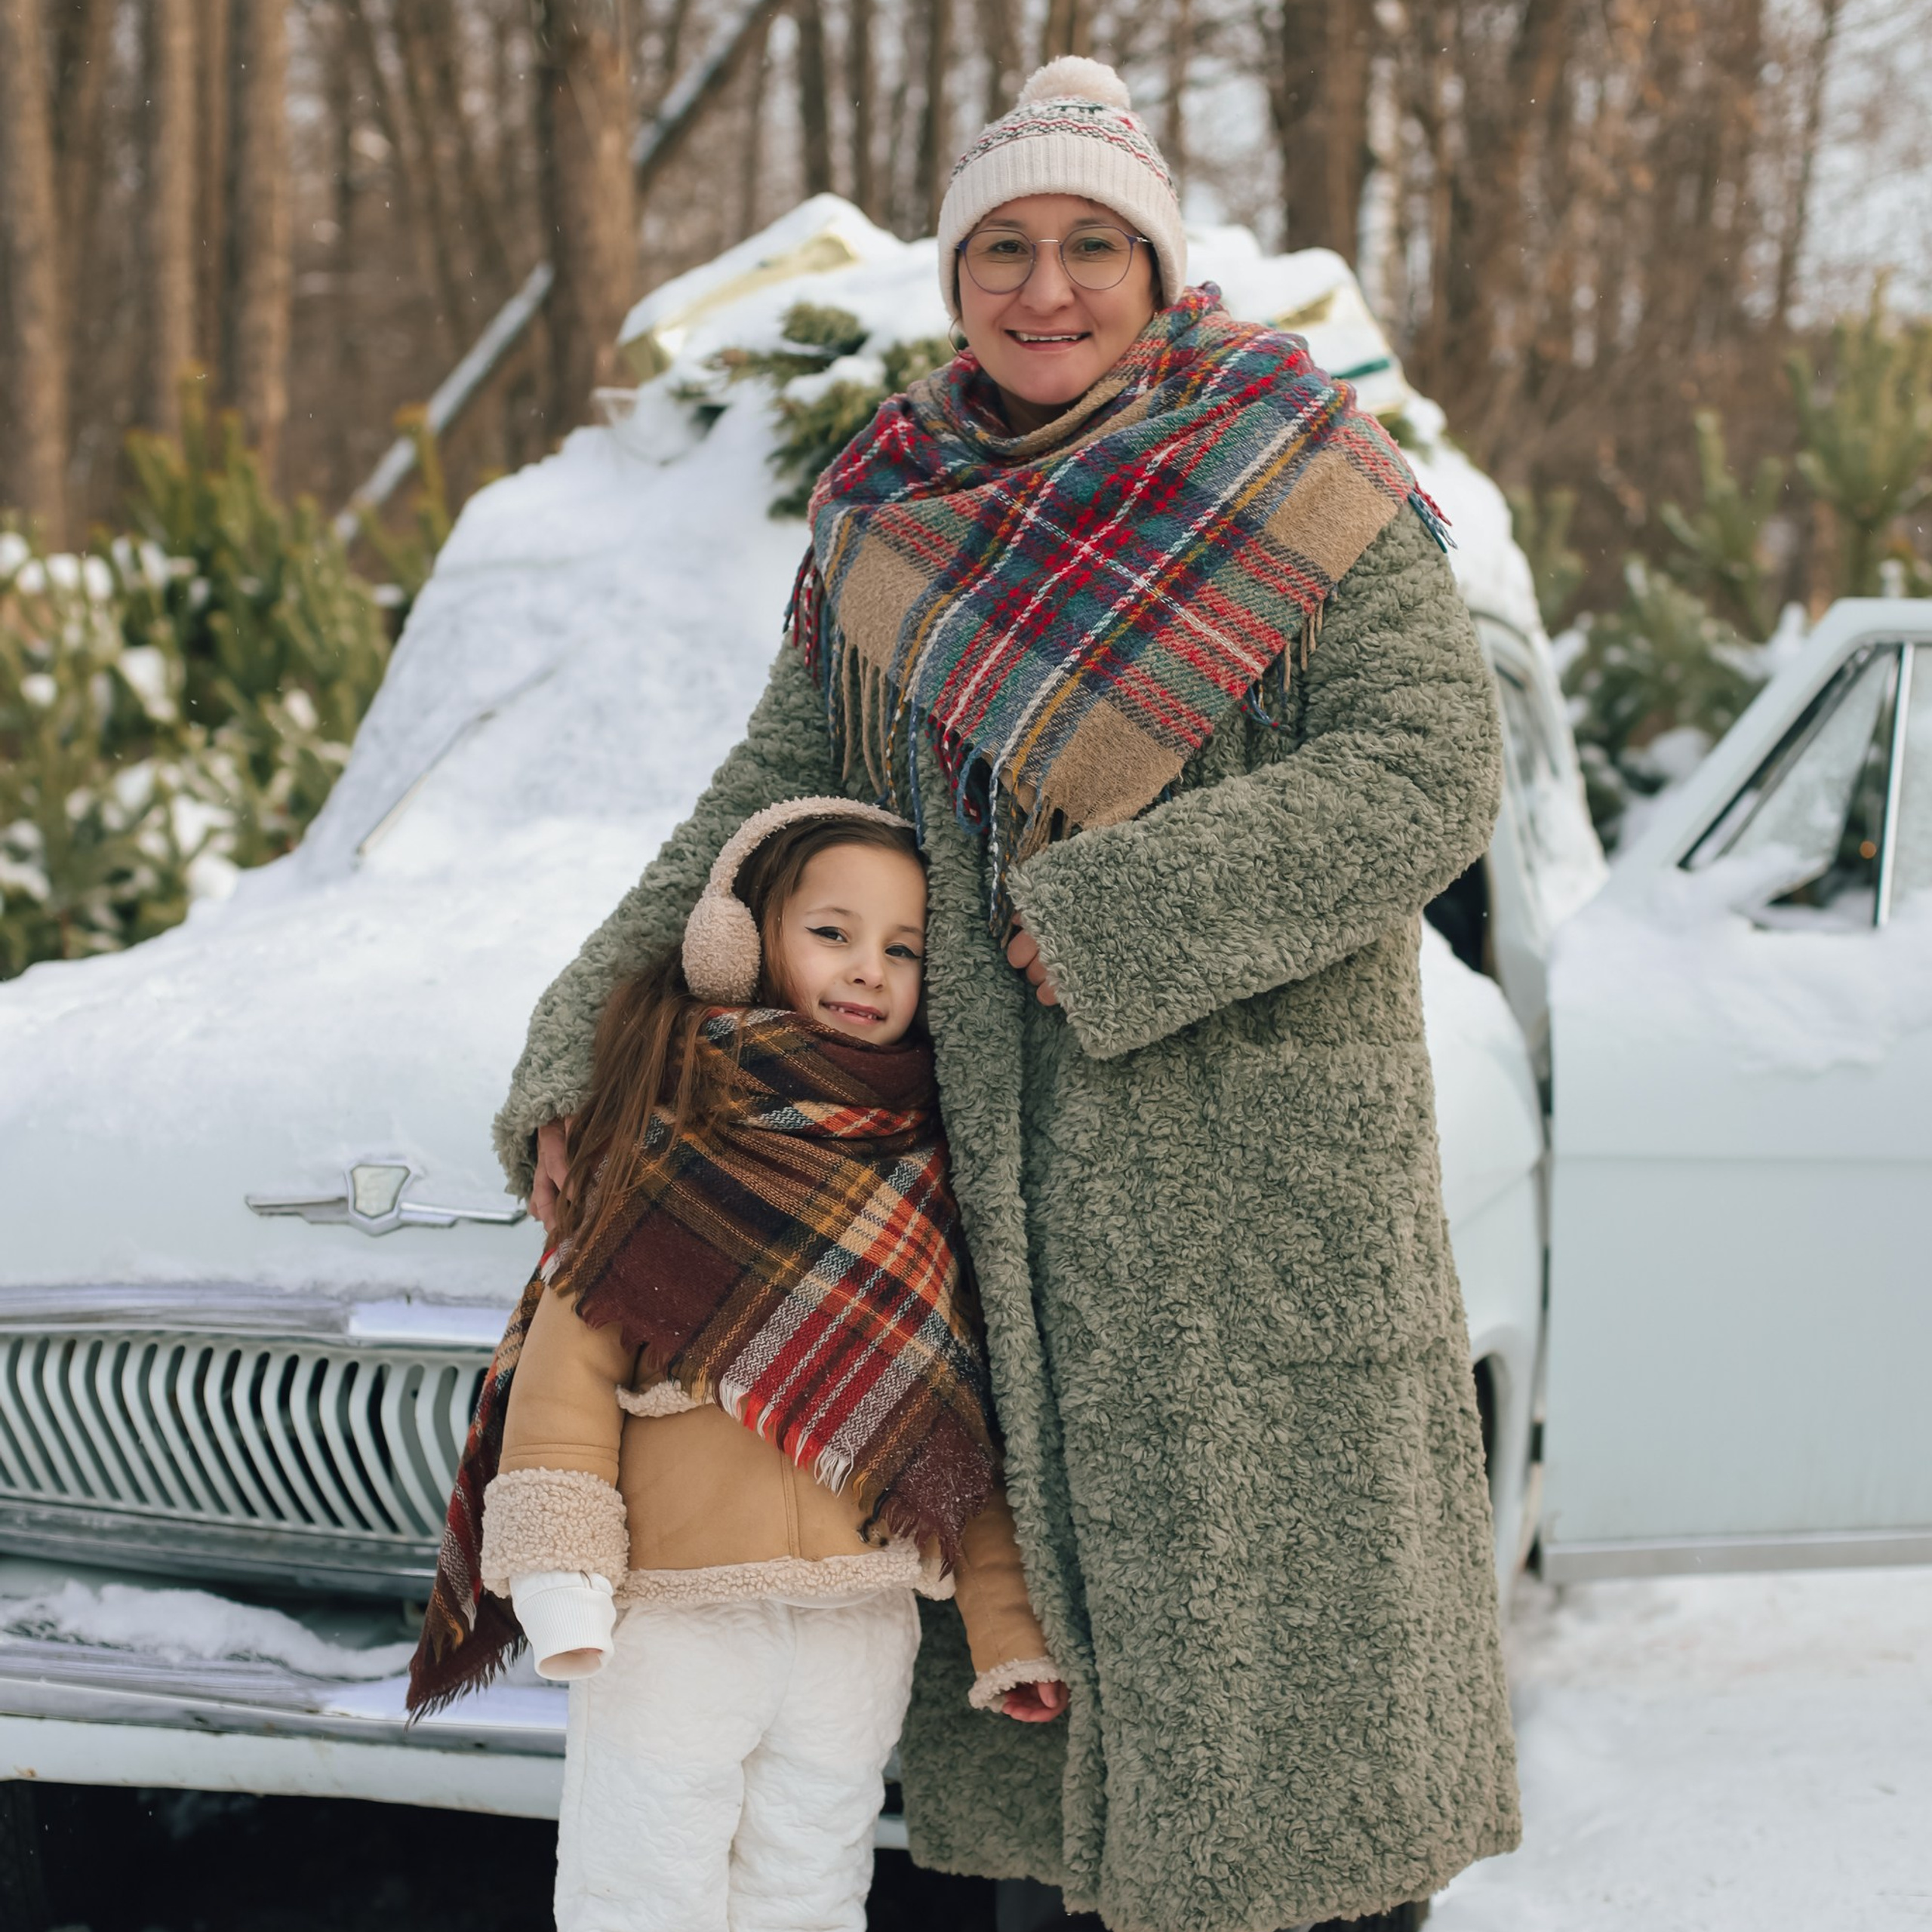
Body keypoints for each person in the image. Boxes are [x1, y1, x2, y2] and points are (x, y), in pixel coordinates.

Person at [497, 54, 1520, 1932]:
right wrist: (585, 1032)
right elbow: (763, 801)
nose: (1043, 291)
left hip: (1261, 1212)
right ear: (955, 277)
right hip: (997, 1218)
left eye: (1087, 249)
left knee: (1306, 1772)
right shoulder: (892, 516)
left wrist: (1130, 905)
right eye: (1002, 251)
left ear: (1153, 266)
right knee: (1052, 1766)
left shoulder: (1305, 480)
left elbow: (1426, 766)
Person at [410, 799, 1066, 1932]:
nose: (869, 970)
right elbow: (565, 1385)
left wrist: (1010, 1630)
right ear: (738, 944)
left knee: (810, 1883)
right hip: (677, 1623)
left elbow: (957, 1429)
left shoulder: (917, 1176)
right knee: (641, 1882)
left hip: (857, 1634)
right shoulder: (664, 1149)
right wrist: (564, 1579)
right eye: (832, 934)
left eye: (901, 950)